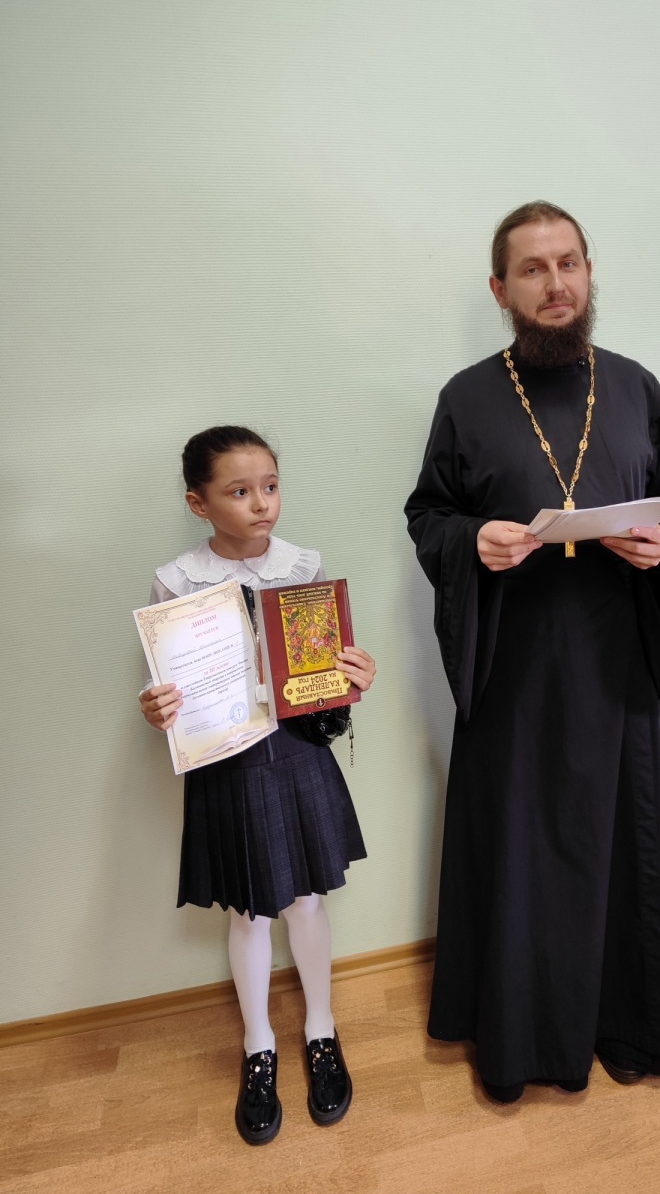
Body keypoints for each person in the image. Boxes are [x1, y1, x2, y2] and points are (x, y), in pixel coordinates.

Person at [404, 201, 660, 1104]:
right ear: (500, 289)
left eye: (569, 262)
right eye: (533, 269)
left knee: (622, 843)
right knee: (525, 848)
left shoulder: (635, 386)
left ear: (588, 271)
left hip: (620, 663)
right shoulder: (467, 396)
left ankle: (628, 1022)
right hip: (517, 665)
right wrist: (473, 542)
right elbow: (429, 514)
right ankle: (523, 1033)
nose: (555, 283)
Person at [140, 425, 375, 1143]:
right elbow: (168, 690)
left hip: (298, 754)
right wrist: (157, 707)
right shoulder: (176, 583)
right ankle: (258, 1045)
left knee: (306, 900)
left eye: (270, 486)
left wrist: (352, 677)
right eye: (239, 491)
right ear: (199, 503)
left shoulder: (304, 565)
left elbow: (322, 678)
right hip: (229, 764)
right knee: (249, 910)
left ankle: (321, 1029)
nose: (261, 503)